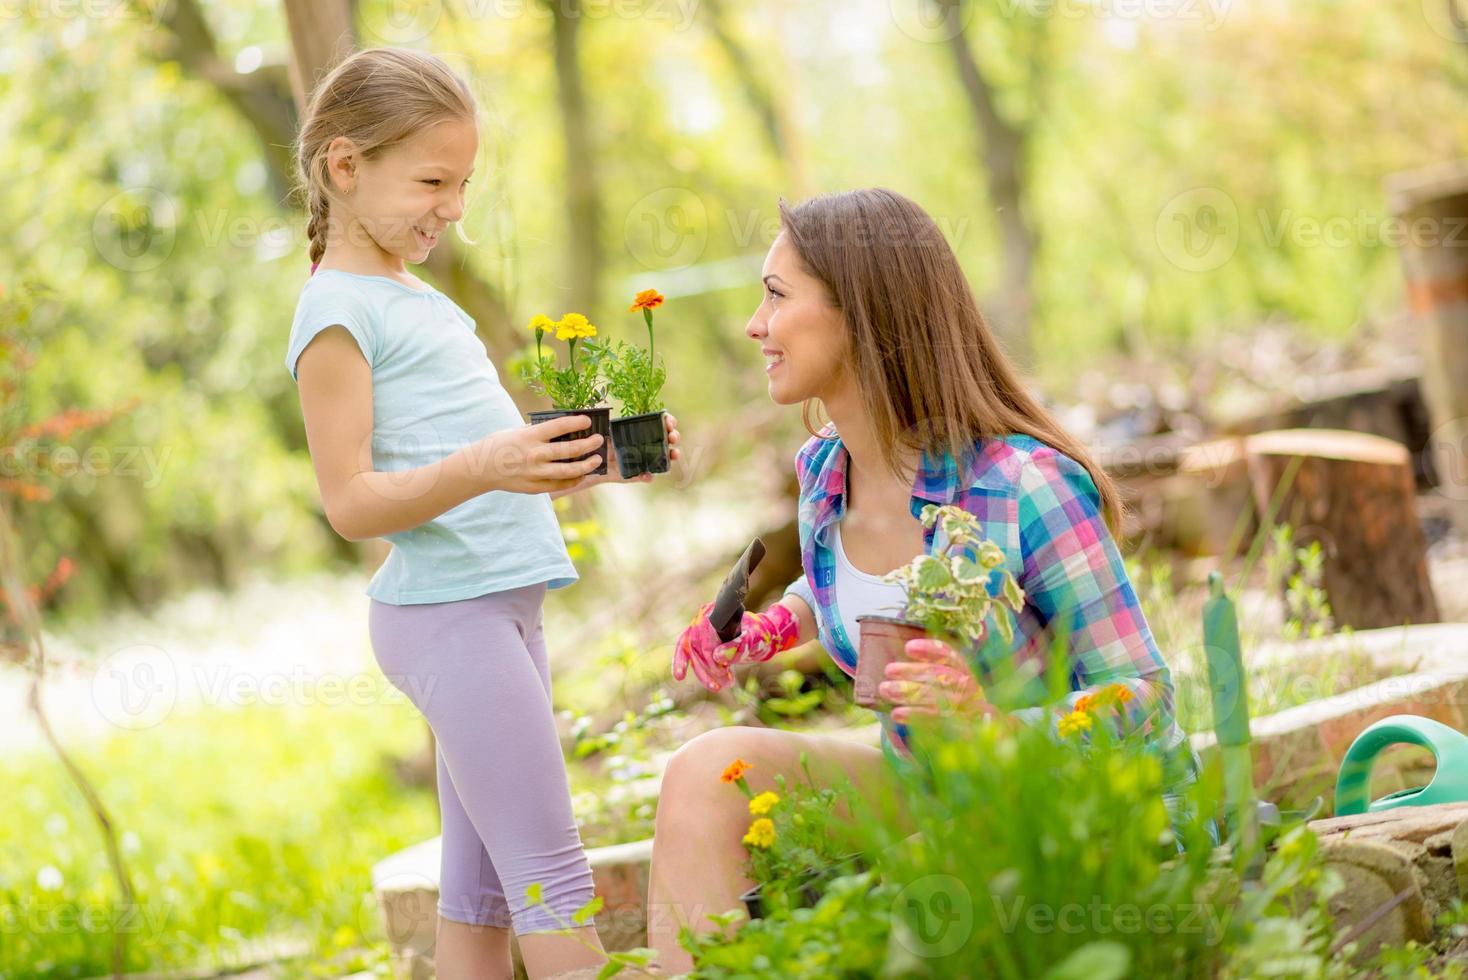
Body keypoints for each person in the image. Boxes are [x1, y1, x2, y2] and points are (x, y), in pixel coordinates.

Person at [646, 188, 1203, 973]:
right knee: (703, 773)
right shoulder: (822, 474)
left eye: (776, 296)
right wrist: (776, 625)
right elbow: (854, 584)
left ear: (861, 313)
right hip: (930, 785)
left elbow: (1144, 695)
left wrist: (991, 728)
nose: (754, 324)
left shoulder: (1024, 486)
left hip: (1075, 807)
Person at [283, 47, 680, 980]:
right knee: (551, 878)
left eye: (461, 183)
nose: (452, 207)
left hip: (498, 605)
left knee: (483, 898)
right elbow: (349, 502)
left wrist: (578, 461)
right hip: (449, 616)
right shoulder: (336, 312)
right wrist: (490, 462)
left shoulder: (414, 299)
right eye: (432, 180)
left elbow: (483, 467)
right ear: (346, 167)